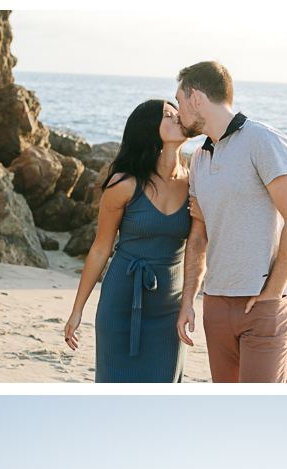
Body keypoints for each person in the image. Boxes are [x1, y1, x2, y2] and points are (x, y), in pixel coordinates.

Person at [175, 63, 287, 384]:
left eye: (179, 100)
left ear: (196, 97)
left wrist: (272, 294)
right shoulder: (199, 157)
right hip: (216, 304)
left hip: (264, 304)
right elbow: (198, 237)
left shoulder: (264, 141)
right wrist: (189, 301)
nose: (178, 111)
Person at [64, 99, 191, 381]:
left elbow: (200, 248)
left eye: (177, 112)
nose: (177, 117)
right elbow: (100, 250)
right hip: (120, 302)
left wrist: (191, 302)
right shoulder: (124, 184)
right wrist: (77, 311)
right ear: (147, 129)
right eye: (168, 115)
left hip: (169, 308)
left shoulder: (196, 184)